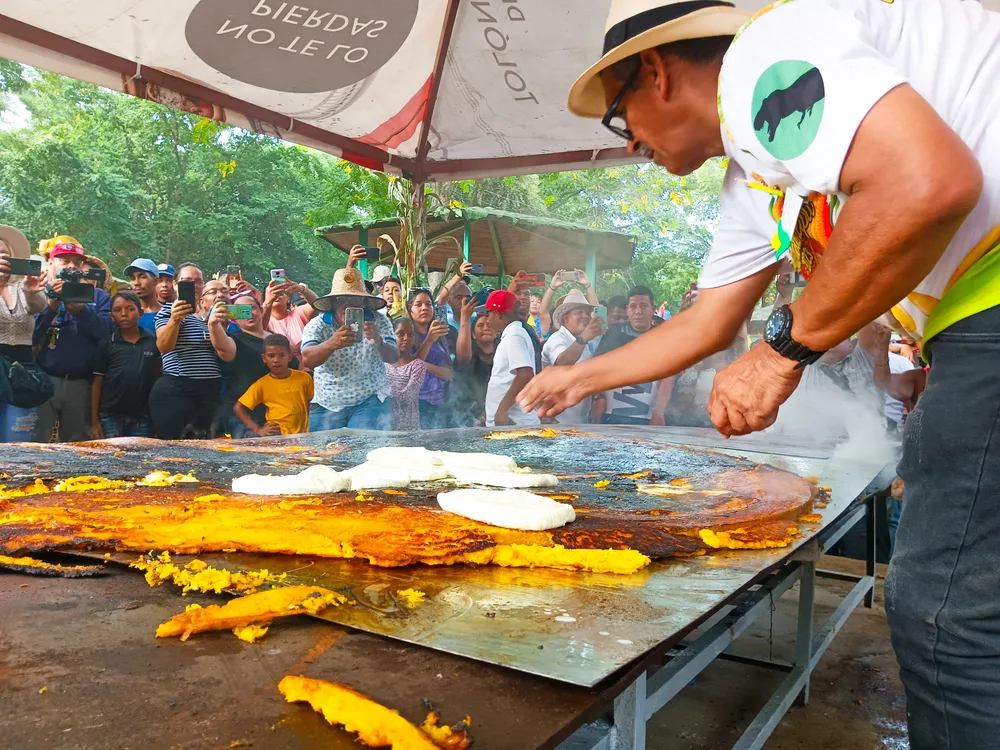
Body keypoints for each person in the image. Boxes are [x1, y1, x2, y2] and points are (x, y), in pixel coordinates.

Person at [519, 1, 1000, 744]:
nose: (631, 144)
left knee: (946, 618)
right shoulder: (756, 179)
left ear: (657, 70)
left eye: (622, 118)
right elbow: (707, 322)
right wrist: (578, 380)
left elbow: (926, 183)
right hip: (973, 320)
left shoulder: (763, 54)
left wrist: (780, 352)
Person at [301, 268, 398, 431]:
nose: (350, 304)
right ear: (333, 303)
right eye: (343, 299)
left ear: (365, 302)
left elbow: (394, 357)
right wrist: (331, 344)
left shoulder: (379, 321)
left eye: (356, 299)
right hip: (327, 402)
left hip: (370, 398)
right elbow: (307, 359)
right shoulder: (317, 325)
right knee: (322, 454)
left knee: (364, 447)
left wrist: (379, 341)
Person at [32, 240, 110, 442]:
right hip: (43, 379)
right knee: (37, 442)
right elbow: (28, 336)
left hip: (80, 383)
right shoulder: (35, 292)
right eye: (64, 260)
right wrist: (51, 306)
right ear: (50, 263)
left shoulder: (97, 296)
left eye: (76, 262)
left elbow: (105, 333)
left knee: (77, 446)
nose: (71, 266)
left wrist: (82, 312)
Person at [150, 268, 235, 439]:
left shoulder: (219, 320)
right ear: (176, 285)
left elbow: (227, 355)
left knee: (207, 450)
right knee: (173, 448)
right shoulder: (169, 310)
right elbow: (164, 346)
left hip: (210, 392)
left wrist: (215, 324)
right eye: (188, 281)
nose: (194, 286)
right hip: (177, 389)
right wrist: (175, 320)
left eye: (198, 282)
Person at [590, 286, 673, 426]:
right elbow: (598, 367)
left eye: (644, 306)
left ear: (653, 309)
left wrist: (659, 412)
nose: (638, 311)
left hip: (646, 414)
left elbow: (668, 376)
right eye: (633, 306)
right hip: (612, 412)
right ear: (628, 310)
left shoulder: (663, 337)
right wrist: (599, 397)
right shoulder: (612, 333)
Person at [90, 291, 160, 439]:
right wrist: (95, 422)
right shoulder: (107, 343)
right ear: (111, 316)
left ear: (140, 313)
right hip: (111, 415)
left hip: (143, 416)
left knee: (139, 459)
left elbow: (156, 378)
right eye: (117, 310)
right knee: (112, 458)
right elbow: (97, 383)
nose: (124, 314)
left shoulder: (152, 341)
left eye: (130, 309)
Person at [0, 225, 48, 441]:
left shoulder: (22, 285)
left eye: (5, 255)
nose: (2, 259)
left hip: (22, 372)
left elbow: (38, 307)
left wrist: (32, 288)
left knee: (18, 442)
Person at [540, 290, 606, 424]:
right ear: (566, 318)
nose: (585, 316)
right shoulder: (557, 339)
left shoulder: (583, 341)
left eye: (587, 312)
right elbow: (562, 362)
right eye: (579, 312)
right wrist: (583, 338)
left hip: (579, 422)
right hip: (557, 423)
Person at [234, 333, 313, 437]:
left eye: (281, 355)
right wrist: (258, 430)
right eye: (271, 356)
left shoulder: (304, 378)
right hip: (277, 437)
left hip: (304, 436)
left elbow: (312, 404)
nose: (276, 360)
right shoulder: (262, 385)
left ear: (289, 357)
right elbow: (238, 408)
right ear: (264, 358)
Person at [480, 290, 539, 427]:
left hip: (515, 423)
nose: (487, 320)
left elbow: (525, 374)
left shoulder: (514, 336)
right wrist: (488, 410)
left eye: (489, 314)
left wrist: (503, 409)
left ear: (499, 315)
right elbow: (503, 380)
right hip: (510, 423)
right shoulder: (512, 334)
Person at [406, 289, 453, 430]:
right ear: (410, 310)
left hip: (439, 402)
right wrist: (428, 340)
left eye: (428, 304)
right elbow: (407, 369)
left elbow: (449, 374)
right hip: (415, 404)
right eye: (418, 305)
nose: (424, 308)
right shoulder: (405, 334)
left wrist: (422, 364)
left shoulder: (440, 336)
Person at [450, 297, 496, 427]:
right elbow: (463, 358)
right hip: (468, 415)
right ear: (473, 334)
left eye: (490, 325)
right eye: (481, 325)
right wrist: (465, 318)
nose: (486, 328)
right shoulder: (469, 355)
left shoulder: (503, 354)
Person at [262, 276, 319, 363]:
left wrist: (302, 289)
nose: (277, 296)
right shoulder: (264, 319)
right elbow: (259, 328)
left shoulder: (298, 313)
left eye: (281, 293)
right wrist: (268, 303)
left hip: (306, 371)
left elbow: (317, 305)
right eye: (273, 293)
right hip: (277, 372)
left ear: (288, 298)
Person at [385, 318, 427, 431]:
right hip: (384, 424)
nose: (405, 338)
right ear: (391, 335)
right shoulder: (382, 364)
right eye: (400, 334)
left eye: (410, 335)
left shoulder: (417, 365)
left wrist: (382, 393)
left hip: (408, 428)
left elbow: (408, 396)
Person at [124, 258, 162, 331]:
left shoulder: (169, 313)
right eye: (132, 278)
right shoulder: (125, 315)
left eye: (142, 277)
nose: (136, 282)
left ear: (155, 281)